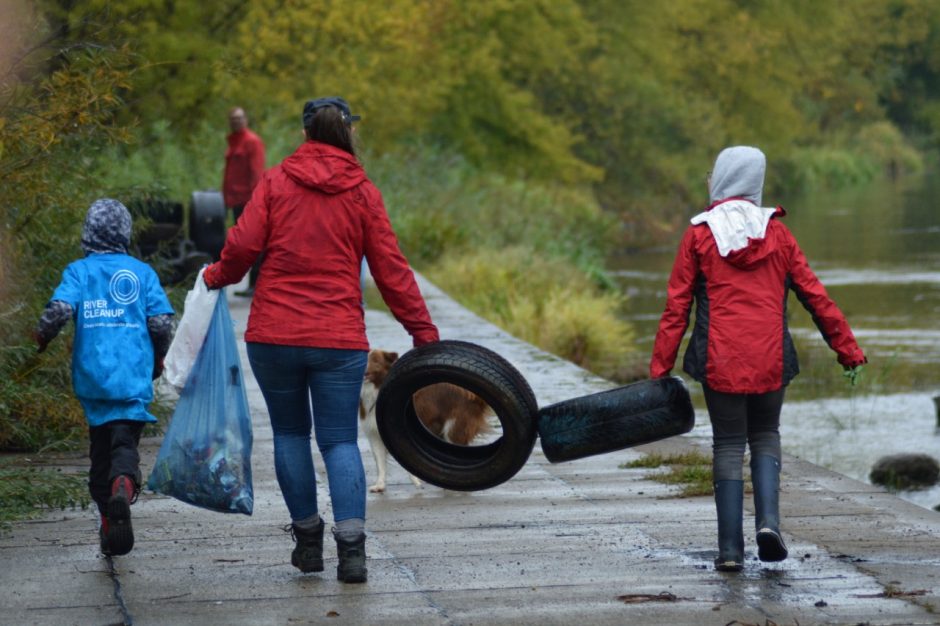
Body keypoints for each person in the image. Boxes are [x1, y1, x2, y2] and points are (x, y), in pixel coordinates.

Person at [203, 96, 439, 583]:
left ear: (306, 132)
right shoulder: (361, 191)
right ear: (348, 131)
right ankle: (352, 552)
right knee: (339, 440)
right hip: (337, 338)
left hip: (273, 335)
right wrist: (423, 331)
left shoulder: (275, 181)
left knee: (290, 434)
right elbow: (392, 270)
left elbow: (244, 245)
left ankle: (308, 543)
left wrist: (215, 275)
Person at [649, 146, 866, 572]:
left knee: (728, 445)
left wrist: (660, 370)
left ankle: (730, 551)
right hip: (771, 359)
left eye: (715, 172)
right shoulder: (779, 235)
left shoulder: (699, 236)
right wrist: (848, 350)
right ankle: (770, 526)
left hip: (719, 360)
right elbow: (815, 297)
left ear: (726, 179)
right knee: (766, 434)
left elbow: (677, 309)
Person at [34, 198, 175, 556]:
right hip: (132, 379)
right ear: (126, 234)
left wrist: (41, 337)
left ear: (88, 234)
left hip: (94, 379)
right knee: (124, 446)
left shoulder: (79, 271)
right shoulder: (142, 274)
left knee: (100, 452)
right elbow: (160, 322)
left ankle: (109, 521)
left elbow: (61, 309)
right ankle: (123, 488)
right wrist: (160, 355)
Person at [222, 106, 266, 295]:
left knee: (253, 240)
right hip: (234, 200)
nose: (236, 122)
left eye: (239, 118)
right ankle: (251, 284)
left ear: (246, 120)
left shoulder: (252, 142)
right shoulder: (234, 142)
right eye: (233, 119)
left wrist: (255, 201)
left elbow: (256, 173)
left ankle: (256, 284)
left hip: (247, 200)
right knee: (244, 241)